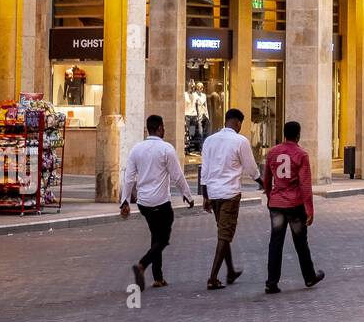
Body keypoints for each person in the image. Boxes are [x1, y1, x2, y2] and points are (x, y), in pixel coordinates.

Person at [119, 115, 194, 291]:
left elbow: (129, 178)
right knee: (164, 239)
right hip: (161, 202)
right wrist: (188, 195)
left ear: (147, 129)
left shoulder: (136, 149)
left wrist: (125, 201)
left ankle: (158, 277)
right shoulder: (166, 149)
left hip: (144, 203)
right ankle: (142, 265)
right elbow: (177, 175)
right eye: (164, 127)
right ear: (160, 128)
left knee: (156, 236)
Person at [200, 107, 262, 290]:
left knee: (223, 232)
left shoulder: (209, 141)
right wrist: (263, 183)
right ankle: (212, 277)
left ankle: (230, 271)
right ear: (237, 122)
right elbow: (251, 168)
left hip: (213, 193)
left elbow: (205, 170)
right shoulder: (240, 141)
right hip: (229, 194)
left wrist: (205, 196)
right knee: (225, 235)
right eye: (241, 124)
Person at [262, 120, 325, 294]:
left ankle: (271, 282)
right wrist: (309, 209)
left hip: (277, 203)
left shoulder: (273, 153)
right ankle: (309, 276)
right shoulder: (301, 155)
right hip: (294, 204)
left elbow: (266, 179)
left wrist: (270, 197)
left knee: (275, 242)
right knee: (300, 242)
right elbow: (305, 184)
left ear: (284, 134)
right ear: (298, 135)